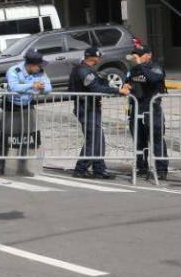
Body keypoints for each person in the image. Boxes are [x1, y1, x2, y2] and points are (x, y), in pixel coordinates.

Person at [0, 50, 51, 175]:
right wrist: (32, 85)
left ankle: (23, 166)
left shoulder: (40, 72)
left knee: (28, 137)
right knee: (5, 136)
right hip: (11, 106)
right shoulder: (14, 71)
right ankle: (0, 166)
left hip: (27, 105)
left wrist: (39, 87)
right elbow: (14, 87)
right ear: (31, 65)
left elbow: (48, 88)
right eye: (39, 65)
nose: (41, 68)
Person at [68, 47, 119, 179]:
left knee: (99, 140)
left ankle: (99, 169)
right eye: (98, 57)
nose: (100, 59)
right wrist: (117, 91)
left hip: (91, 107)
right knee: (94, 141)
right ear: (92, 57)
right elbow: (95, 88)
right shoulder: (83, 70)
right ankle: (80, 168)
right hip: (86, 109)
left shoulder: (86, 69)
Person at [122, 44, 168, 178]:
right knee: (139, 141)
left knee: (156, 140)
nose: (136, 58)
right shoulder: (133, 69)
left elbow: (154, 78)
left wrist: (140, 65)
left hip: (152, 111)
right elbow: (126, 84)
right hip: (136, 110)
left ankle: (161, 170)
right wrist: (125, 86)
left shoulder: (156, 67)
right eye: (135, 55)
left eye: (140, 55)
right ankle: (141, 168)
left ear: (149, 55)